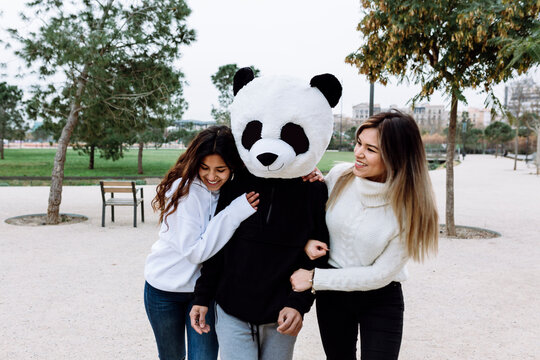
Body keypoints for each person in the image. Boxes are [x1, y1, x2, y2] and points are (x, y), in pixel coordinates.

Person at [290, 111, 439, 360]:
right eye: (359, 143)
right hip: (333, 298)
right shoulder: (338, 177)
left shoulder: (411, 209)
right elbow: (310, 222)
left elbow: (379, 274)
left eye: (371, 149)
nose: (358, 153)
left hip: (380, 298)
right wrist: (305, 241)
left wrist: (315, 278)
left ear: (396, 156)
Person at [144, 126, 260, 360]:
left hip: (203, 294)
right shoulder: (184, 191)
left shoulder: (231, 188)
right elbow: (195, 252)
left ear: (232, 167)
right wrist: (235, 212)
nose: (211, 176)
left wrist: (309, 173)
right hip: (164, 290)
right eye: (204, 167)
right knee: (171, 357)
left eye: (221, 169)